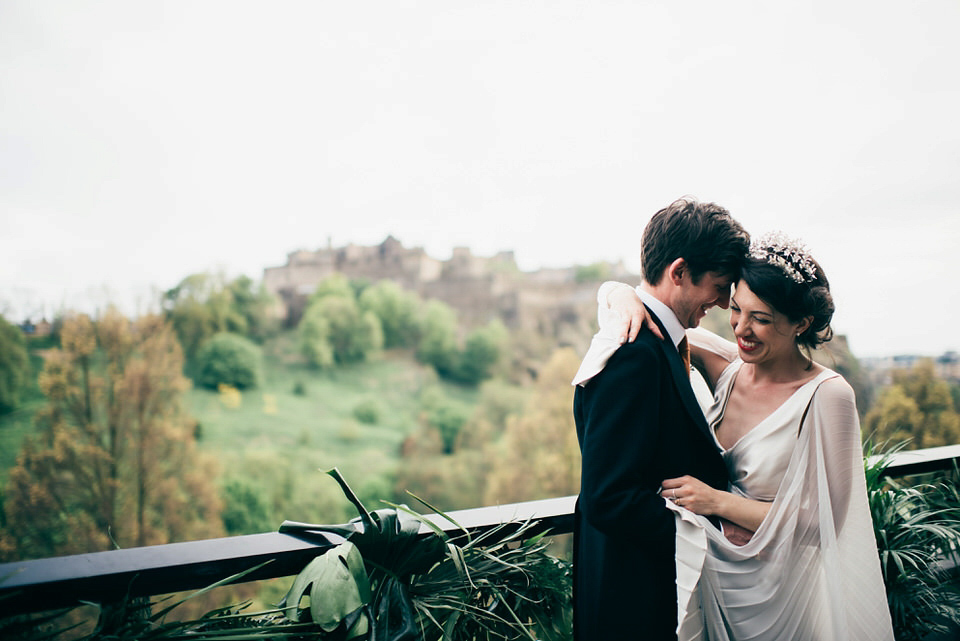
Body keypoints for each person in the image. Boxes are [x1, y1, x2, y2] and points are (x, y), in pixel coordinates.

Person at [594, 231, 894, 640]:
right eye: (736, 308)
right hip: (714, 578)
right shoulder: (725, 363)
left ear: (801, 324)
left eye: (762, 319)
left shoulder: (828, 396)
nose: (742, 328)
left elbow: (823, 525)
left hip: (777, 595)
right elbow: (655, 312)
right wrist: (616, 294)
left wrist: (717, 502)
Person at [570, 196, 750, 640]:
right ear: (680, 272)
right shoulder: (634, 354)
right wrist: (713, 529)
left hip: (651, 589)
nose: (725, 303)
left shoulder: (658, 339)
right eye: (720, 285)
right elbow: (609, 496)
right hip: (634, 597)